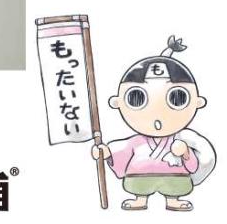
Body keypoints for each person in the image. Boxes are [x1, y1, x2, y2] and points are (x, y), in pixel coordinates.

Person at [91, 36, 216, 212]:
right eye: (137, 98)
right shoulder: (136, 142)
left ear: (197, 102)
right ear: (118, 102)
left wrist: (185, 153)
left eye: (177, 98)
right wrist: (106, 152)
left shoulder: (181, 139)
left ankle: (173, 199)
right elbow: (122, 151)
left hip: (175, 178)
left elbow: (192, 165)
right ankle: (140, 198)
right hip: (139, 178)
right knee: (137, 185)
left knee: (176, 185)